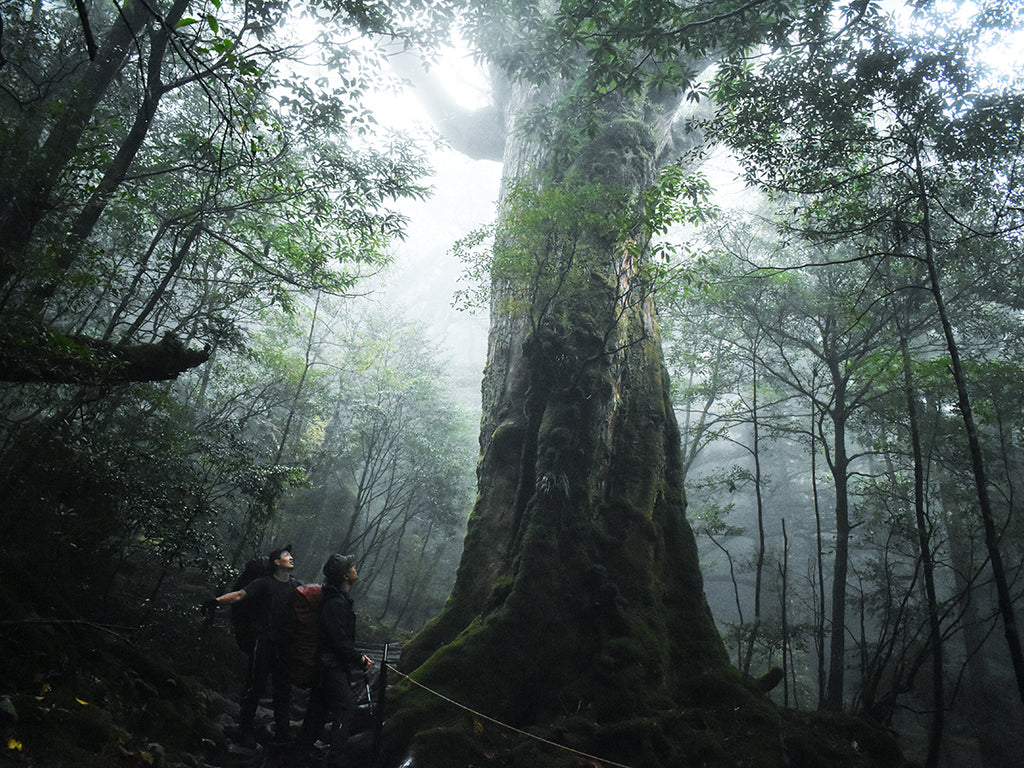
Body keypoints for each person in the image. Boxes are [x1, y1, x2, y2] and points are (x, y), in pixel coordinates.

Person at [207, 544, 300, 748]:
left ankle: (283, 734)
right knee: (255, 686)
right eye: (287, 556)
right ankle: (245, 730)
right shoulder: (264, 583)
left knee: (284, 689)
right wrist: (217, 600)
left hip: (284, 645)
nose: (291, 558)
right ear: (276, 562)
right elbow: (240, 595)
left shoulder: (296, 586)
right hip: (264, 641)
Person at [296, 554, 372, 768]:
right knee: (346, 707)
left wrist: (356, 658)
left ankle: (299, 755)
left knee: (317, 713)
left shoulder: (336, 599)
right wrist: (358, 659)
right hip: (330, 667)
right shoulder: (335, 602)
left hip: (328, 665)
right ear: (345, 575)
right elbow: (337, 639)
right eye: (352, 567)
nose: (355, 569)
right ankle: (336, 760)